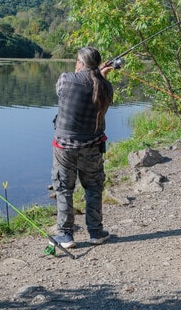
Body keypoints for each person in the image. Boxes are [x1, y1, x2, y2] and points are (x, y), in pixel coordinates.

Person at [50, 46, 114, 249]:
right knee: (93, 187)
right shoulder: (106, 87)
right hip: (93, 147)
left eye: (77, 60)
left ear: (80, 62)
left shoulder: (66, 79)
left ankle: (65, 235)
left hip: (64, 147)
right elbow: (94, 89)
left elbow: (63, 93)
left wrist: (97, 74)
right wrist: (101, 75)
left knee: (63, 188)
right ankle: (96, 233)